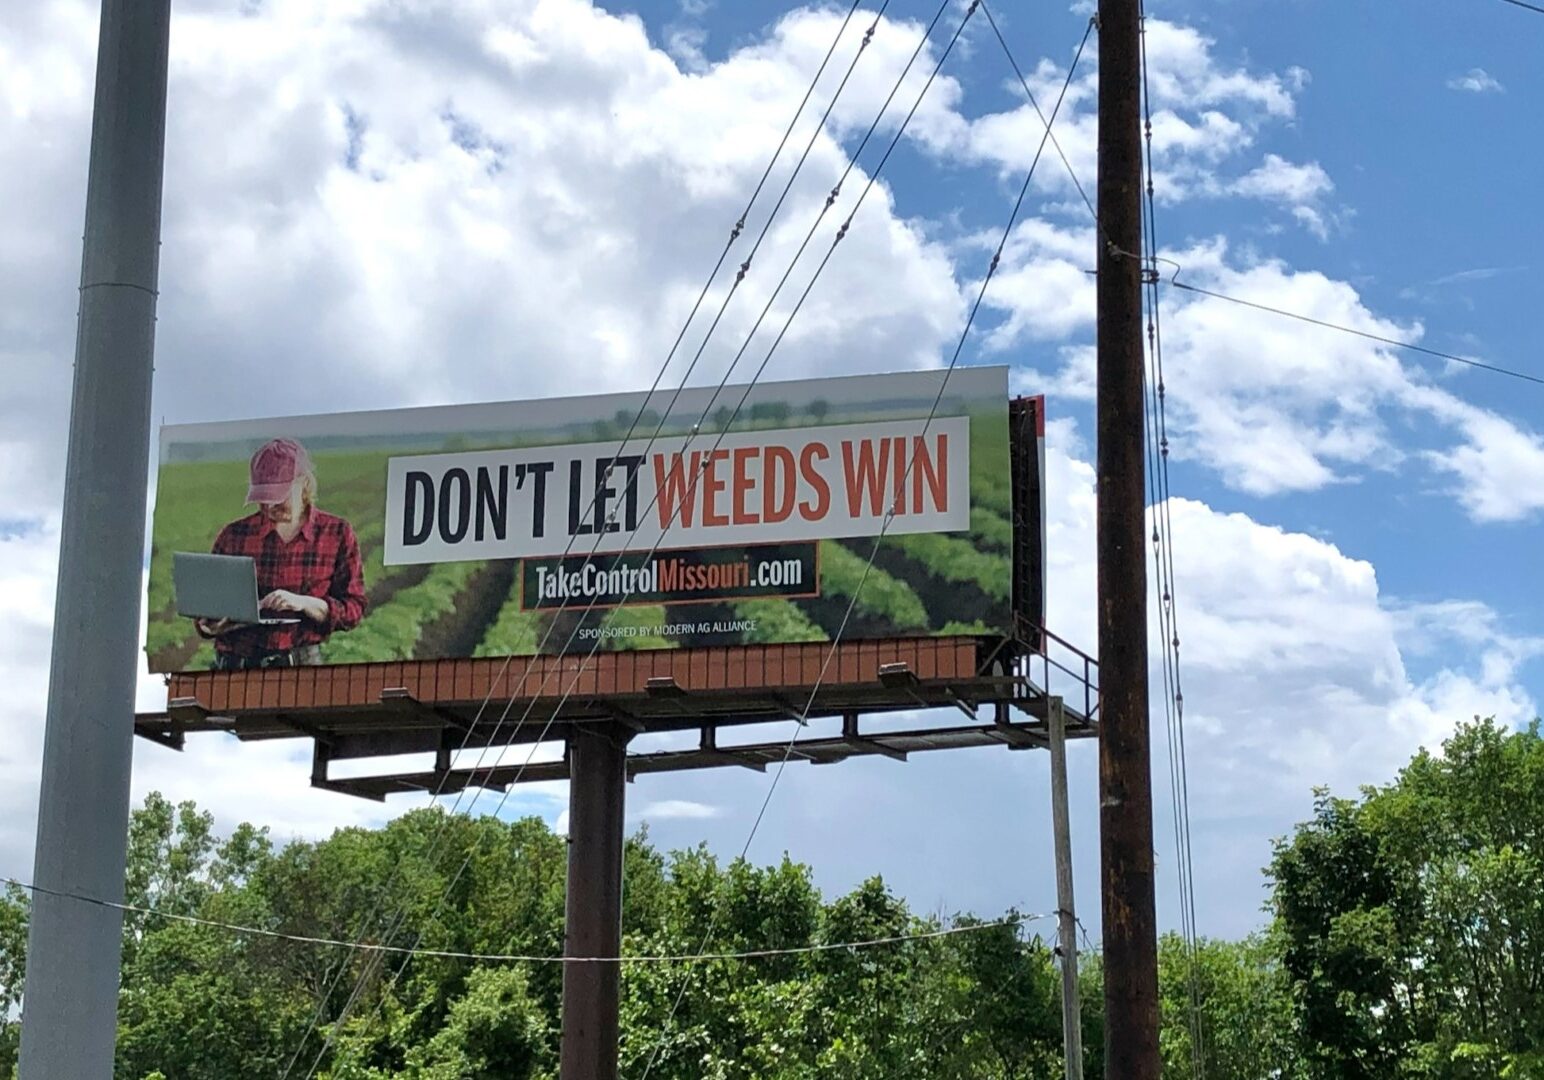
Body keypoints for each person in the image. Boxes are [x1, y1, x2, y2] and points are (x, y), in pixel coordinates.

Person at [197, 437, 367, 668]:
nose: (269, 506)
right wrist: (212, 625)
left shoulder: (336, 533)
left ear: (303, 483)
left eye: (278, 497)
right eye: (263, 498)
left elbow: (353, 609)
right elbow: (205, 610)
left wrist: (304, 603)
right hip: (235, 666)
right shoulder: (234, 536)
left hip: (302, 668)